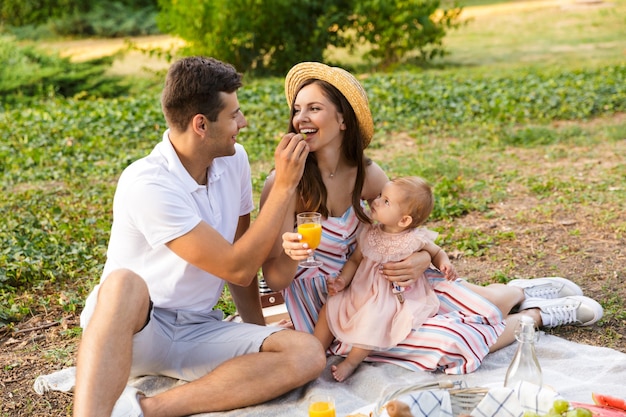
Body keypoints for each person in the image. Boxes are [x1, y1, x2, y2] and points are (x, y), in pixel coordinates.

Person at [260, 61, 604, 376]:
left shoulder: (366, 175)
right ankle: (536, 317)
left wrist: (422, 256)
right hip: (327, 306)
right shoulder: (284, 183)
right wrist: (294, 253)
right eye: (297, 110)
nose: (300, 118)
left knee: (472, 300)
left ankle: (518, 292)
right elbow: (273, 279)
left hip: (378, 283)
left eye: (314, 108)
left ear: (342, 120)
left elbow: (403, 221)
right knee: (448, 342)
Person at [74, 56, 326, 417]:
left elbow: (242, 253)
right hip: (138, 332)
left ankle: (144, 410)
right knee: (122, 284)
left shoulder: (233, 160)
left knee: (306, 353)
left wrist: (257, 334)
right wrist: (284, 186)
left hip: (198, 331)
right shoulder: (147, 183)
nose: (244, 123)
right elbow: (237, 268)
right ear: (201, 125)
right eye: (234, 115)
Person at [315, 176, 459, 381]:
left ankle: (351, 362)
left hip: (390, 298)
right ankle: (316, 349)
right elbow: (355, 261)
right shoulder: (369, 233)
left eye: (386, 201)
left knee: (374, 318)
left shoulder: (413, 238)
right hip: (362, 290)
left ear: (404, 220)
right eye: (381, 195)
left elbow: (436, 252)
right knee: (332, 305)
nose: (376, 201)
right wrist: (342, 281)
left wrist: (444, 263)